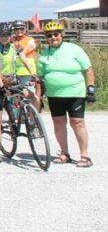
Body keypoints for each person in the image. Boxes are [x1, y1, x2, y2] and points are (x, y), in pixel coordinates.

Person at [38, 21, 96, 168]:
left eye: (56, 34)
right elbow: (39, 78)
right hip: (54, 95)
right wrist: (39, 97)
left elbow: (88, 69)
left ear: (62, 35)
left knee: (77, 123)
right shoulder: (44, 54)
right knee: (58, 123)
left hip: (75, 93)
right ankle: (64, 153)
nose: (53, 38)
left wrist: (90, 89)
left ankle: (85, 156)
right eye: (49, 35)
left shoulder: (74, 49)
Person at [0, 22, 37, 164]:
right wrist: (2, 86)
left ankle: (31, 121)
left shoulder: (16, 46)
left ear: (10, 36)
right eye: (1, 35)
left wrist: (33, 74)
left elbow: (25, 60)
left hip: (12, 82)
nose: (4, 38)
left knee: (29, 95)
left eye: (7, 35)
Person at [12, 20, 41, 111]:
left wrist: (17, 51)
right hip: (15, 72)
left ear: (25, 29)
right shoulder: (13, 41)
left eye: (21, 29)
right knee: (16, 94)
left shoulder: (30, 40)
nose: (19, 31)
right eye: (17, 29)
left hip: (27, 71)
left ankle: (34, 113)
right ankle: (20, 114)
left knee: (28, 94)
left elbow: (24, 52)